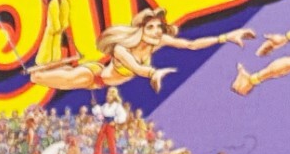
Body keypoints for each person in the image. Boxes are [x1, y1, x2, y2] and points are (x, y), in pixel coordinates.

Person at [31, 6, 255, 93]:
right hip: (93, 76)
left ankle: (54, 32)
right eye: (151, 27)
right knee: (37, 76)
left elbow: (191, 44)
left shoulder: (158, 41)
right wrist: (153, 73)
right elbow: (136, 69)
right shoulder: (121, 49)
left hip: (99, 81)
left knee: (47, 74)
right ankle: (52, 31)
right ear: (140, 29)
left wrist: (225, 37)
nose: (157, 31)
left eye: (159, 27)